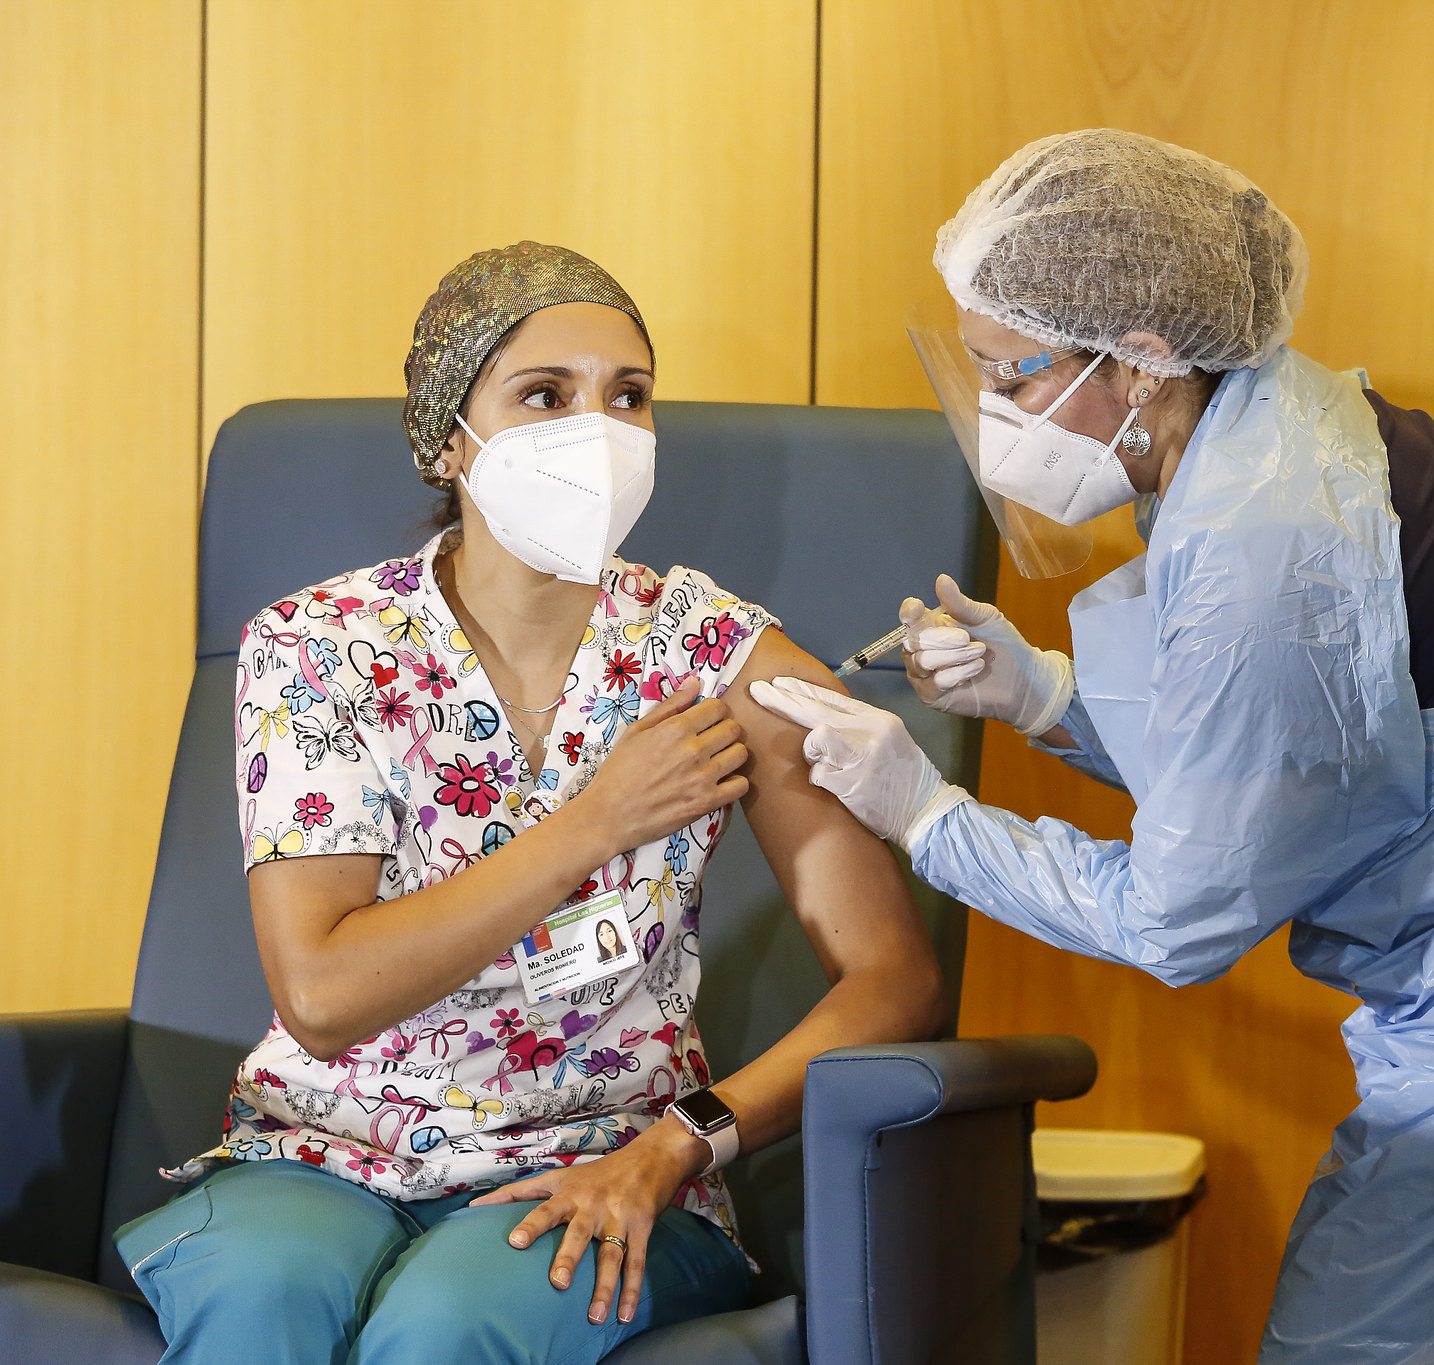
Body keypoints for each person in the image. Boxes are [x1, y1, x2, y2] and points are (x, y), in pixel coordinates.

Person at [750, 131, 1434, 1363]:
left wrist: (926, 816)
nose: (993, 418)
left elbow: (1177, 915)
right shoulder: (1253, 424)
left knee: (1401, 1338)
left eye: (1012, 379)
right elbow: (1282, 760)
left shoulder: (1266, 532)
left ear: (1137, 356)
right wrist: (1040, 697)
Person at [116, 242, 945, 1365]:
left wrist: (677, 1149)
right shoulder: (322, 649)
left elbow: (892, 976)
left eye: (629, 396)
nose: (595, 432)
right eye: (544, 395)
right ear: (447, 437)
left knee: (442, 1330)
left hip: (606, 1160)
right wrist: (592, 827)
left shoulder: (716, 656)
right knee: (261, 1303)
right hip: (322, 1155)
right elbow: (321, 994)